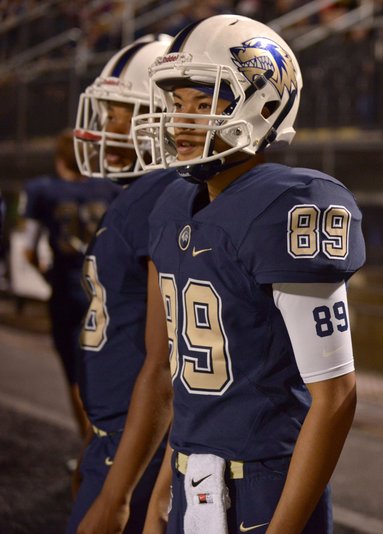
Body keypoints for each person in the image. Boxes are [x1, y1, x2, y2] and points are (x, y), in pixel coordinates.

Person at [123, 14, 364, 532]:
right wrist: (163, 492)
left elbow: (337, 395)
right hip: (192, 477)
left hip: (263, 486)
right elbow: (188, 386)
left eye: (205, 102)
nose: (182, 121)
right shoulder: (171, 206)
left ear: (266, 105)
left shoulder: (293, 204)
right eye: (176, 103)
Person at [66, 33, 177, 534]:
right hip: (114, 435)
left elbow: (165, 362)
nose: (107, 131)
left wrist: (118, 493)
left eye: (123, 114)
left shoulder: (163, 195)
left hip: (139, 444)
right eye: (107, 114)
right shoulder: (141, 193)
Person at [18, 129, 120, 442]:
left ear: (59, 158)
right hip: (107, 291)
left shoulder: (43, 190)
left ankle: (91, 446)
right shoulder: (110, 189)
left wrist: (47, 274)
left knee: (76, 376)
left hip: (67, 291)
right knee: (108, 372)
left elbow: (29, 248)